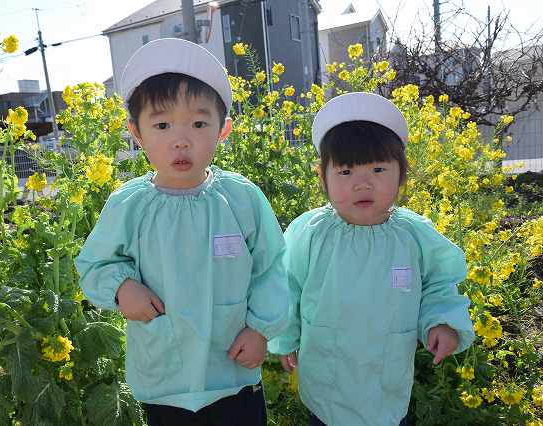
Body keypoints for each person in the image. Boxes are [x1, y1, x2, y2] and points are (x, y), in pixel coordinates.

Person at [75, 38, 288, 426]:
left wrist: (260, 330)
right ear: (136, 133)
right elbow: (94, 264)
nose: (181, 139)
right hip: (164, 378)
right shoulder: (129, 204)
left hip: (234, 373)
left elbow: (272, 268)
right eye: (162, 125)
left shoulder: (241, 199)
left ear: (223, 130)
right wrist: (122, 288)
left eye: (199, 124)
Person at [268, 92, 475, 426]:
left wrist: (442, 322)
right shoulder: (311, 232)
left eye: (378, 169)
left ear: (401, 175)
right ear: (323, 177)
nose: (362, 184)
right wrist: (285, 338)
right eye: (346, 171)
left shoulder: (413, 235)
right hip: (327, 377)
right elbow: (286, 286)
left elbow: (438, 283)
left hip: (386, 382)